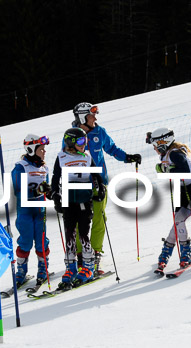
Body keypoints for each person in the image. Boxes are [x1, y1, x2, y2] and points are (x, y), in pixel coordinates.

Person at [71, 102, 141, 272]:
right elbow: (65, 159)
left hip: (100, 183)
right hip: (79, 185)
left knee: (99, 218)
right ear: (82, 117)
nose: (95, 118)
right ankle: (80, 256)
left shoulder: (99, 131)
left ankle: (95, 253)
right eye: (91, 115)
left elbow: (111, 148)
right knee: (81, 220)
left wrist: (127, 157)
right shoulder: (72, 136)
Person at [51, 127, 105, 289]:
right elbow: (55, 177)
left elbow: (96, 174)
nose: (84, 144)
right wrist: (55, 195)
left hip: (84, 199)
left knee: (83, 233)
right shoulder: (61, 157)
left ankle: (88, 266)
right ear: (71, 142)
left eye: (85, 140)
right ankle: (71, 267)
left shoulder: (87, 156)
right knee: (69, 234)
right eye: (81, 141)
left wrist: (100, 188)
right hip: (68, 199)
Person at [146, 128, 191, 270]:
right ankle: (166, 252)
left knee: (179, 220)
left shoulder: (175, 153)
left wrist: (166, 170)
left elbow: (184, 171)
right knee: (177, 221)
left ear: (162, 143)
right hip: (182, 188)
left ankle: (185, 253)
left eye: (155, 145)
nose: (154, 149)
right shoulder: (166, 154)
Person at [11, 134, 51, 287]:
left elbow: (46, 187)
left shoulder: (44, 167)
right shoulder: (21, 166)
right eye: (41, 149)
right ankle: (21, 271)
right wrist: (35, 192)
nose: (44, 151)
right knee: (26, 241)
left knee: (41, 241)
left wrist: (52, 192)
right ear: (31, 149)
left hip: (40, 210)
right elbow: (17, 189)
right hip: (25, 211)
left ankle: (43, 267)